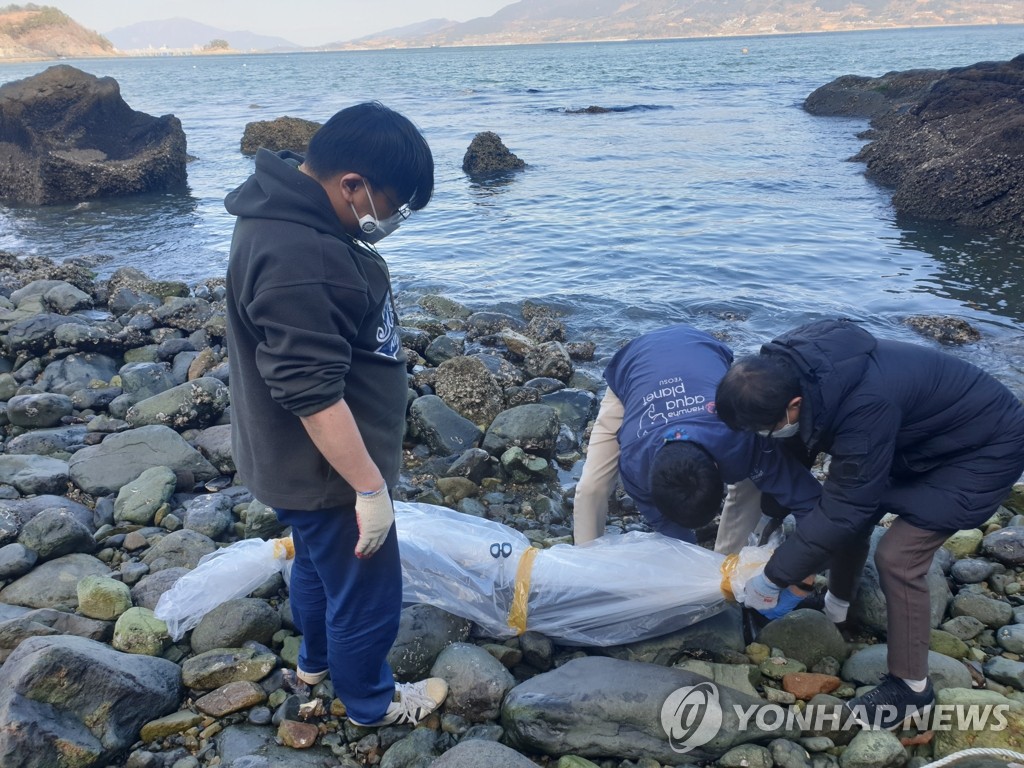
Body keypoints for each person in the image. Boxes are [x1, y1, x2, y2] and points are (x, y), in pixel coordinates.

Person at [224, 102, 447, 727]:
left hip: (294, 463)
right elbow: (312, 392)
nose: (392, 222)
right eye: (391, 207)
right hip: (327, 473)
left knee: (319, 569)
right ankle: (372, 704)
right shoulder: (303, 259)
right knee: (366, 592)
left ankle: (315, 665)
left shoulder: (282, 213)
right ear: (351, 184)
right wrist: (368, 487)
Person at [716, 318, 1024, 728]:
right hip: (917, 436)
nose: (762, 434)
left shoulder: (865, 405)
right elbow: (798, 455)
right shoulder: (793, 371)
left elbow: (844, 508)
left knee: (898, 557)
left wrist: (772, 577)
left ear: (792, 406)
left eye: (763, 427)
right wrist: (778, 513)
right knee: (850, 519)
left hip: (984, 446)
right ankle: (836, 611)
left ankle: (912, 688)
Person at [572, 324, 823, 605]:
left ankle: (724, 565)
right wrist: (688, 567)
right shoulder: (634, 464)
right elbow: (665, 525)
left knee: (753, 483)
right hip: (635, 366)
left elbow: (809, 499)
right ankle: (583, 577)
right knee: (592, 486)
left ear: (718, 468)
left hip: (702, 348)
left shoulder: (743, 439)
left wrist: (803, 566)